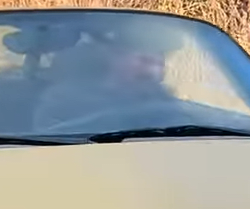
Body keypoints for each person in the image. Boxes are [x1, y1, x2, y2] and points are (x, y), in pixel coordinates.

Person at [32, 21, 179, 128]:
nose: (153, 71)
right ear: (116, 57)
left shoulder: (165, 102)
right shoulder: (64, 98)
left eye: (159, 64)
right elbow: (48, 138)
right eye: (144, 60)